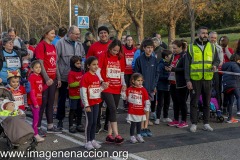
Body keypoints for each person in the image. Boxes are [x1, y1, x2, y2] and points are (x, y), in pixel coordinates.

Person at [185, 26, 220, 132]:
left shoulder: (213, 47)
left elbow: (217, 60)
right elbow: (187, 65)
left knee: (207, 102)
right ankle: (194, 123)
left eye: (206, 33)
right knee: (194, 102)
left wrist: (215, 65)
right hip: (195, 79)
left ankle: (206, 123)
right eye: (203, 33)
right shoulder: (191, 48)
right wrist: (188, 80)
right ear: (197, 34)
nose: (205, 35)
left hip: (208, 79)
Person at [96, 39, 126, 144]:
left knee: (112, 110)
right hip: (106, 87)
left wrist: (124, 84)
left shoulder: (120, 57)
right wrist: (102, 81)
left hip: (117, 87)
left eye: (117, 51)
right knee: (113, 108)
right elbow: (98, 70)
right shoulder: (104, 55)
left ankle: (109, 135)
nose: (115, 52)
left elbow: (122, 73)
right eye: (114, 50)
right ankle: (116, 134)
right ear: (110, 48)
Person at [56, 25, 85, 129]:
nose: (78, 36)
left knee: (77, 102)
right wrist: (58, 77)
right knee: (62, 100)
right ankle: (60, 120)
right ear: (70, 33)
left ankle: (77, 122)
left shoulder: (79, 44)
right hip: (65, 77)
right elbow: (56, 61)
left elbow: (82, 59)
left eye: (79, 34)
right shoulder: (60, 43)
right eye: (76, 34)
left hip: (77, 78)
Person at [35, 25, 62, 135]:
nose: (54, 35)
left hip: (53, 79)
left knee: (50, 103)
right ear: (46, 34)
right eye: (52, 33)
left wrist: (58, 78)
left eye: (54, 33)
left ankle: (50, 125)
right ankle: (38, 126)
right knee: (42, 103)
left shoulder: (53, 46)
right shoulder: (41, 46)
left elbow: (55, 63)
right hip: (43, 80)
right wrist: (46, 79)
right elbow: (40, 64)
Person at [86, 26, 112, 133]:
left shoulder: (112, 45)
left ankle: (107, 124)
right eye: (101, 33)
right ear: (98, 34)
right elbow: (88, 61)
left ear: (108, 34)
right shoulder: (94, 46)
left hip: (111, 80)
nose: (103, 35)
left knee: (111, 104)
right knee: (97, 102)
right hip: (97, 80)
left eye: (105, 32)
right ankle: (97, 124)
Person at [80, 56, 108, 150]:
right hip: (89, 103)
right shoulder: (86, 77)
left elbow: (96, 90)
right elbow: (83, 91)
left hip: (96, 102)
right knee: (89, 122)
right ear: (88, 66)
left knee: (95, 122)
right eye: (93, 64)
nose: (96, 66)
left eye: (97, 64)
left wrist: (103, 87)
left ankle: (92, 140)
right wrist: (86, 104)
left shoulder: (96, 76)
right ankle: (87, 141)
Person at [134, 39, 158, 137]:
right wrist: (139, 85)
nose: (149, 50)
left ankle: (146, 126)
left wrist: (154, 85)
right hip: (141, 88)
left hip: (151, 88)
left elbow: (157, 74)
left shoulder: (154, 59)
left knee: (147, 109)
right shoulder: (139, 59)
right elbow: (136, 73)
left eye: (151, 48)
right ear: (144, 48)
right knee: (141, 109)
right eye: (148, 48)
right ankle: (140, 127)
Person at [167, 40, 188, 128]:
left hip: (181, 83)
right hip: (172, 82)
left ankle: (184, 120)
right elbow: (171, 65)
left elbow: (185, 69)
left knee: (182, 102)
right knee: (175, 102)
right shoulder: (174, 55)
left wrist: (174, 69)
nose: (173, 50)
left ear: (180, 47)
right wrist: (168, 67)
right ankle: (175, 119)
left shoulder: (184, 56)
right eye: (172, 48)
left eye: (175, 48)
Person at [124, 73, 150, 143]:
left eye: (141, 80)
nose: (140, 82)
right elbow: (125, 97)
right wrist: (123, 91)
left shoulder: (143, 90)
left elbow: (146, 100)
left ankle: (138, 135)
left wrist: (146, 108)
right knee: (133, 124)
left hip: (140, 110)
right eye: (138, 80)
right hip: (132, 111)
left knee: (139, 123)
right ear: (133, 81)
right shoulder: (129, 89)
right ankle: (132, 136)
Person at [28, 60, 47, 142]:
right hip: (33, 102)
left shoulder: (39, 77)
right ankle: (35, 134)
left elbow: (41, 89)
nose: (38, 69)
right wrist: (35, 103)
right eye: (36, 67)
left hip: (39, 101)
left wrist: (47, 85)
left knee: (37, 117)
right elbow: (31, 91)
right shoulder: (32, 77)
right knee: (36, 118)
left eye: (39, 67)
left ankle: (34, 133)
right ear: (32, 69)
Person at [155, 50, 172, 125]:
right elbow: (159, 76)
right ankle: (158, 117)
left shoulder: (170, 64)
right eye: (170, 56)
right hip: (161, 86)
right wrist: (169, 77)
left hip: (168, 86)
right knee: (160, 102)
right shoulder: (161, 65)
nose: (171, 58)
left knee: (167, 102)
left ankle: (165, 116)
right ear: (166, 57)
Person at [67, 56, 85, 133]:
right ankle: (71, 125)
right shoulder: (71, 73)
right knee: (73, 110)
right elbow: (71, 84)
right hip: (74, 95)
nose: (79, 65)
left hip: (81, 95)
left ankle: (79, 124)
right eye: (77, 63)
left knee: (80, 110)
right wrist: (80, 83)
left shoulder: (81, 71)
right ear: (73, 64)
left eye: (80, 63)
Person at [222, 53, 240, 123]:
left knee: (231, 101)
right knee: (239, 97)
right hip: (234, 84)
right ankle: (239, 111)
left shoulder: (226, 65)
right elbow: (238, 72)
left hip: (226, 85)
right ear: (237, 60)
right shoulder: (234, 65)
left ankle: (230, 118)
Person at [208, 31, 224, 111]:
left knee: (217, 90)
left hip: (215, 72)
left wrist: (214, 66)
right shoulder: (204, 46)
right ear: (208, 37)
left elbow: (221, 61)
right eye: (212, 37)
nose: (213, 39)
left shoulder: (219, 48)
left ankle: (218, 107)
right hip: (204, 73)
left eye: (215, 38)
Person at [122, 35, 137, 109]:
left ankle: (131, 102)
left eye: (131, 40)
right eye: (128, 40)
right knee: (125, 88)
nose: (129, 41)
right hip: (125, 72)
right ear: (125, 41)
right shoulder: (123, 49)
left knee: (132, 87)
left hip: (132, 71)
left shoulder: (135, 50)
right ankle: (125, 103)